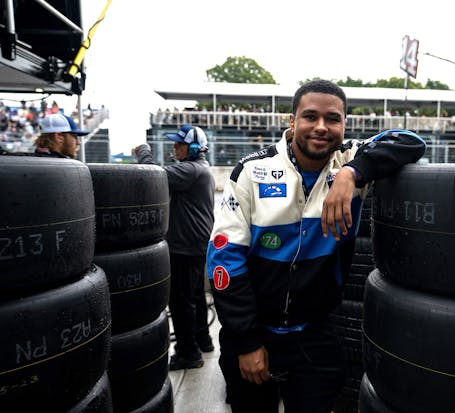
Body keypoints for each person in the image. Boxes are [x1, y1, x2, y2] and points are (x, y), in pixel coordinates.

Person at [207, 79, 427, 412]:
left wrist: (351, 173)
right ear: (292, 121)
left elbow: (411, 142)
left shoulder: (351, 160)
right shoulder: (252, 171)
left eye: (333, 119)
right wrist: (247, 341)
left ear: (344, 124)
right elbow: (225, 261)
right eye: (310, 116)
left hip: (316, 333)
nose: (321, 127)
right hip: (253, 330)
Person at [134, 125, 216, 371]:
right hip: (195, 243)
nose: (174, 148)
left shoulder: (191, 170)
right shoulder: (199, 168)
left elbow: (152, 174)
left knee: (180, 303)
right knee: (195, 297)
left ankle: (188, 354)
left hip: (184, 246)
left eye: (179, 144)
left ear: (194, 148)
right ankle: (203, 340)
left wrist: (143, 151)